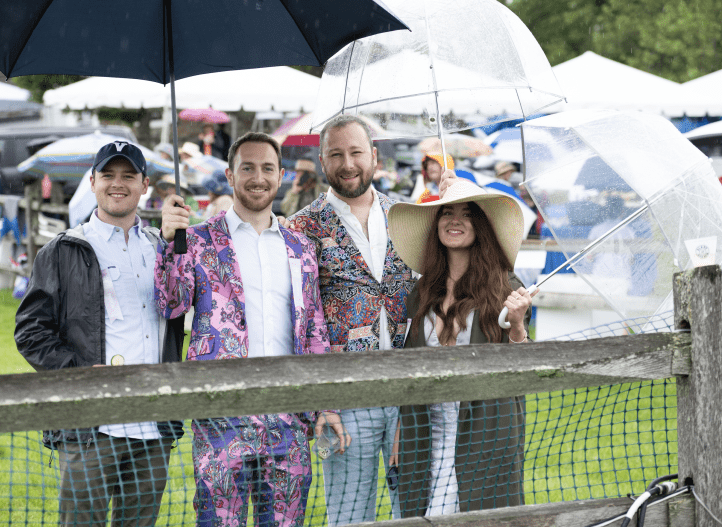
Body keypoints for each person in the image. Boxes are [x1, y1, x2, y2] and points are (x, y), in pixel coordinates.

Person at [155, 131, 346, 527]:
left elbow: (314, 330)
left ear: (280, 176)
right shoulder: (197, 241)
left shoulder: (301, 248)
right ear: (229, 174)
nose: (257, 177)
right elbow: (170, 303)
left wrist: (325, 403)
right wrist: (168, 241)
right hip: (221, 413)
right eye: (247, 168)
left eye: (267, 168)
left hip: (289, 417)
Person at [14, 141, 184, 527]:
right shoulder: (62, 250)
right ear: (92, 182)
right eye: (108, 175)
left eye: (128, 176)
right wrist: (78, 371)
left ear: (145, 185)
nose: (117, 184)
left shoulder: (163, 249)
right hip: (90, 424)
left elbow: (184, 306)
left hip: (154, 424)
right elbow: (30, 331)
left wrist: (179, 245)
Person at [288, 115, 418, 525]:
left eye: (357, 152)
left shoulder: (408, 217)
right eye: (337, 154)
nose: (348, 163)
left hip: (406, 394)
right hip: (338, 401)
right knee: (345, 516)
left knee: (416, 508)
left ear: (374, 157)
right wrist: (320, 404)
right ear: (322, 160)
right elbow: (299, 324)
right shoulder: (300, 228)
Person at [387, 179, 534, 516]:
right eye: (446, 213)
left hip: (483, 434)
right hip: (426, 434)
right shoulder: (421, 292)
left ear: (480, 226)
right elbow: (408, 368)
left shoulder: (505, 287)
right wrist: (400, 431)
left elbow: (526, 370)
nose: (455, 221)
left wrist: (517, 326)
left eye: (467, 214)